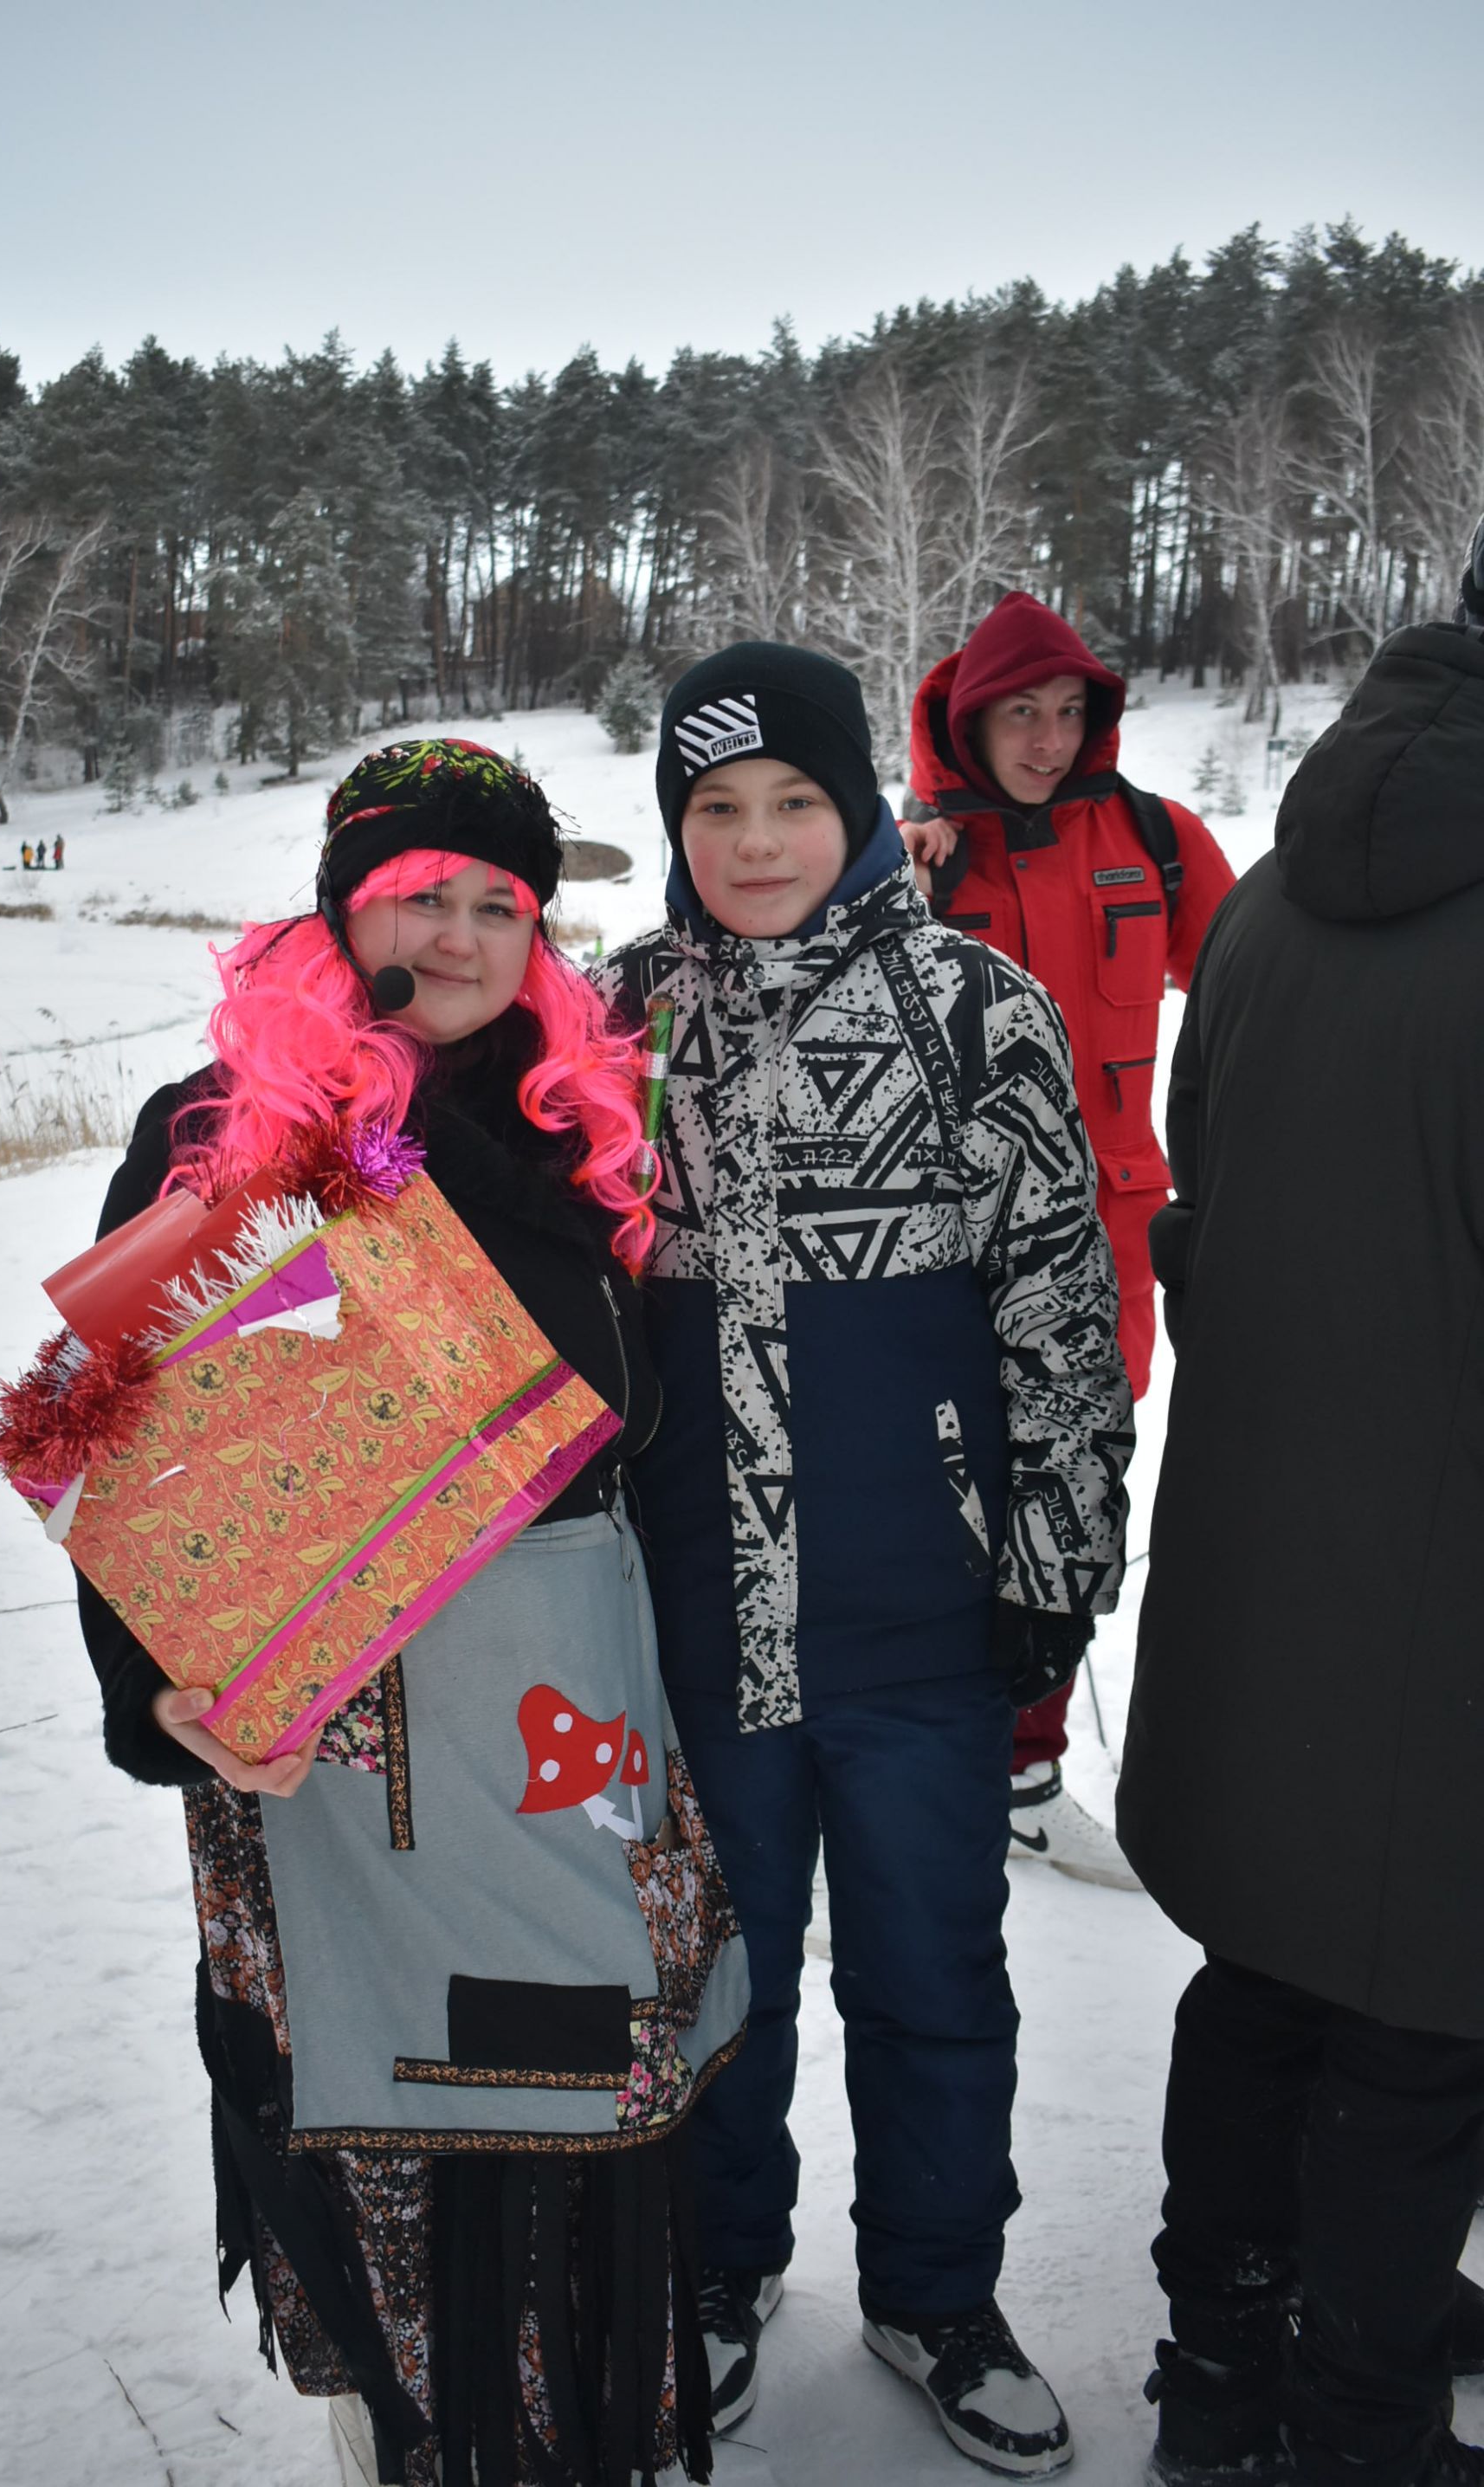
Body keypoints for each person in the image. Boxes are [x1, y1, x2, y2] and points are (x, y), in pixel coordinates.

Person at [74, 740, 747, 2487]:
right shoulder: (220, 1135)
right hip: (324, 1717)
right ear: (341, 907)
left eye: (496, 904)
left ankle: (562, 2417)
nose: (455, 937)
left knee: (577, 2072)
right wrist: (156, 1690)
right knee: (396, 2095)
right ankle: (416, 2416)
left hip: (555, 1702)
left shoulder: (592, 1126)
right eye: (415, 897)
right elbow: (128, 1460)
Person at [595, 644, 1132, 2477]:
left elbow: (1063, 1302)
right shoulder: (617, 1023)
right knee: (714, 1977)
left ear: (862, 809)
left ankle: (934, 2286)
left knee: (930, 1974)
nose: (756, 841)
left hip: (919, 1616)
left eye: (795, 802)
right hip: (687, 1623)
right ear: (676, 828)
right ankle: (721, 2264)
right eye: (716, 808)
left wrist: (1054, 1548)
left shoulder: (976, 1010)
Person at [1118, 527, 1484, 2487]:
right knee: (1423, 2020)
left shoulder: (1265, 902)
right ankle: (1356, 2426)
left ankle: (1224, 2369)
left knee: (1265, 1968)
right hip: (1443, 1603)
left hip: (1265, 1564)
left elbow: (1201, 1204)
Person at [902, 593, 1236, 1888]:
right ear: (966, 717)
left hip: (1116, 1233)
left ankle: (1029, 1778)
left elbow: (1259, 975)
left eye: (1068, 713)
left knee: (1076, 1486)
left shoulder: (1152, 837)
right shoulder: (909, 847)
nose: (1045, 740)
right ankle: (905, 1769)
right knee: (936, 1491)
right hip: (952, 1238)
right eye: (1018, 714)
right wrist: (901, 882)